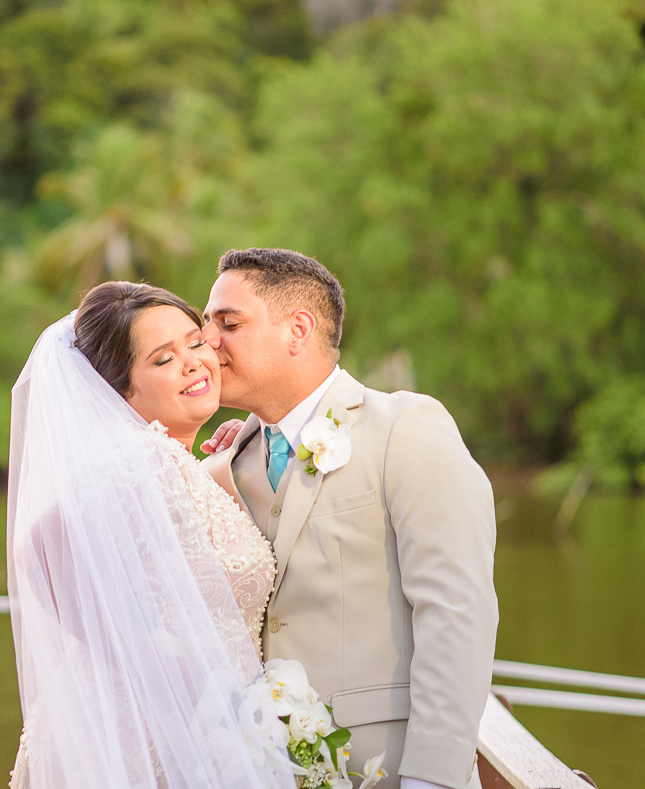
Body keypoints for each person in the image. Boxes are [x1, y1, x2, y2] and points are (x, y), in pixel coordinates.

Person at [201, 248, 499, 789]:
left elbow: (457, 612)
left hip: (385, 770)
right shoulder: (227, 463)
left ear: (298, 331)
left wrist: (432, 779)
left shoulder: (405, 429)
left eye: (229, 323)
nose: (207, 341)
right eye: (206, 323)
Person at [6, 282, 293, 789]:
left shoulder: (175, 464)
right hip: (144, 739)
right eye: (163, 359)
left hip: (199, 730)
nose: (192, 363)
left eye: (195, 342)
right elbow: (40, 548)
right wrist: (157, 667)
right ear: (118, 391)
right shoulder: (136, 460)